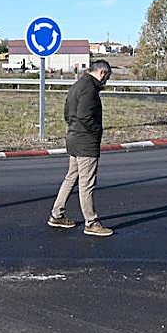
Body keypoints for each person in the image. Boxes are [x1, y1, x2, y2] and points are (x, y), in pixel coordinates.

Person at [48, 59, 114, 237]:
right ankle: (91, 222)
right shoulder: (90, 88)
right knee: (87, 184)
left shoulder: (77, 85)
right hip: (86, 141)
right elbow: (85, 116)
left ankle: (57, 215)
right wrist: (96, 131)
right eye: (107, 77)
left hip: (74, 137)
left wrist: (75, 128)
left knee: (71, 177)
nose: (107, 81)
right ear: (102, 73)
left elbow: (67, 113)